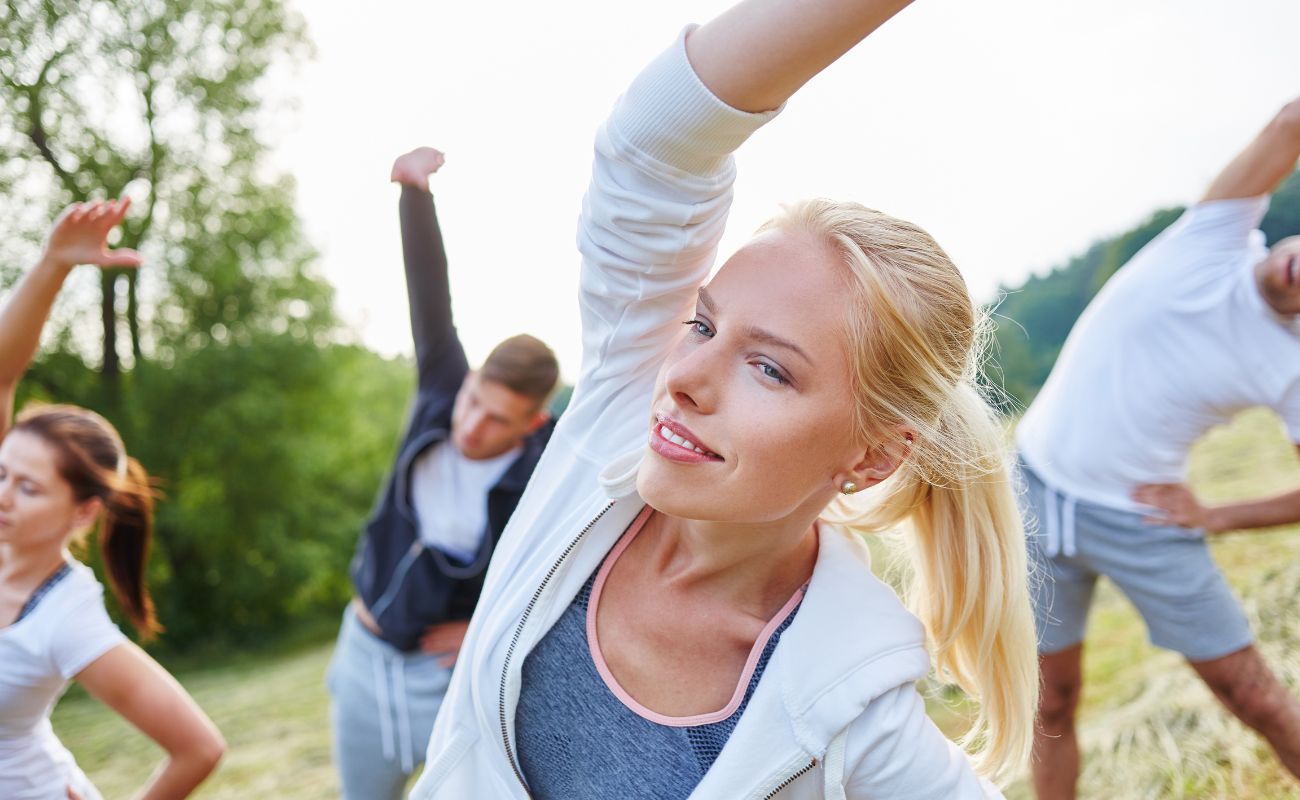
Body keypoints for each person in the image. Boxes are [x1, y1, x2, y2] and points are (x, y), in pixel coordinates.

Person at [408, 0, 1039, 797]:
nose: (684, 377)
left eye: (770, 370)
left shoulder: (853, 714)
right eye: (702, 324)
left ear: (874, 455)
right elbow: (653, 142)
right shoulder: (614, 418)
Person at [1017, 96, 1300, 799]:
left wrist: (1218, 514)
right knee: (1048, 706)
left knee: (1255, 697)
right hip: (1032, 491)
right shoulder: (1216, 235)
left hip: (1140, 523)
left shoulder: (1291, 369)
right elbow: (1291, 121)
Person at [326, 147, 560, 799]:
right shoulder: (439, 389)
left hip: (449, 676)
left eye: (496, 421)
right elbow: (430, 297)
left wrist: (487, 631)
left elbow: (561, 569)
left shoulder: (542, 476)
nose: (471, 426)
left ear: (532, 426)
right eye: (473, 401)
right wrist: (414, 193)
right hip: (364, 659)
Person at [0, 199, 225, 800]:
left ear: (83, 512)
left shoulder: (64, 615)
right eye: (2, 473)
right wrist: (54, 263)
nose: (2, 495)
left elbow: (198, 748)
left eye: (28, 487)